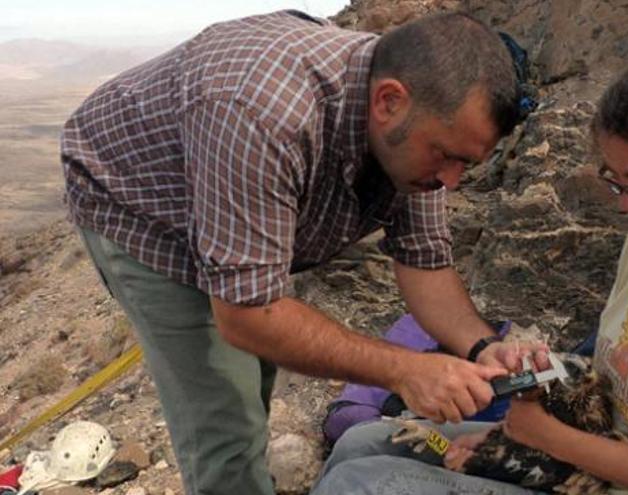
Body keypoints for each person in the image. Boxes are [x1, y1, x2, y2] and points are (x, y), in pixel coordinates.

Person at [61, 10, 547, 495]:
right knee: (224, 423)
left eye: (466, 162)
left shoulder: (421, 126)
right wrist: (405, 370)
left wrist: (484, 347)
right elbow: (247, 315)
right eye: (446, 155)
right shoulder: (260, 110)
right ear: (388, 101)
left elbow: (425, 263)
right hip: (143, 208)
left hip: (236, 191)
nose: (452, 180)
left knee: (256, 374)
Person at [310, 52, 628, 495]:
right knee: (361, 441)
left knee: (360, 484)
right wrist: (540, 389)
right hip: (569, 456)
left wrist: (545, 438)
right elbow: (607, 386)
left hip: (610, 479)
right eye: (616, 183)